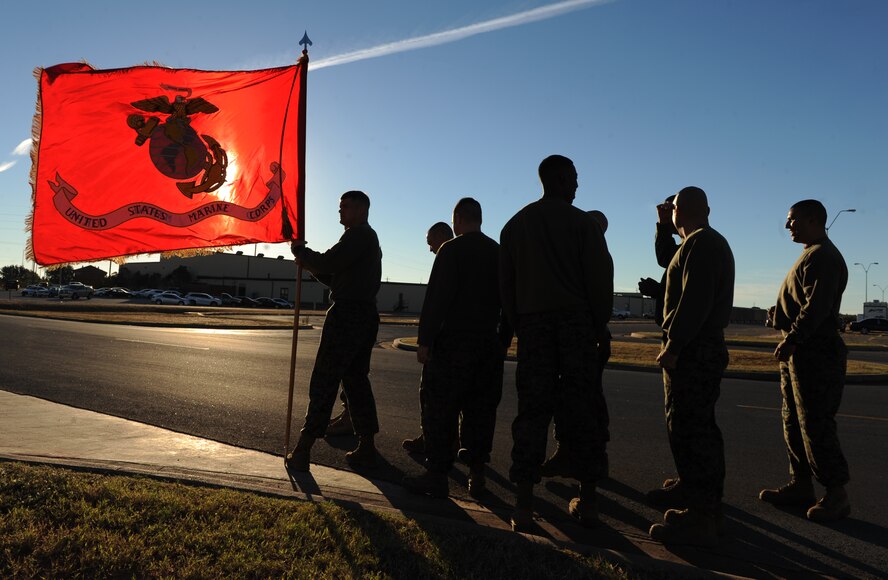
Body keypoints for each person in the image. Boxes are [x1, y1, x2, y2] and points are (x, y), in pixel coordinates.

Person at [499, 155, 613, 530]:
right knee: (583, 408)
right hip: (577, 327)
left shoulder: (515, 226)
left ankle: (524, 503)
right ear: (561, 180)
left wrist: (522, 325)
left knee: (532, 411)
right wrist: (599, 328)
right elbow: (599, 283)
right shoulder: (583, 224)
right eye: (575, 179)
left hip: (533, 329)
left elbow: (507, 287)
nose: (578, 186)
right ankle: (590, 497)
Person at [403, 199, 511, 499]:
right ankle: (477, 475)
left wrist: (425, 341)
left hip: (452, 345)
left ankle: (437, 475)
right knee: (480, 412)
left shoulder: (451, 250)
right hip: (488, 346)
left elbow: (437, 299)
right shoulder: (499, 252)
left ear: (458, 219)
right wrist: (503, 340)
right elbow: (509, 303)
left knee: (442, 410)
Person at [647, 186, 734, 548]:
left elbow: (695, 301)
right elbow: (668, 260)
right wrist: (662, 227)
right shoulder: (694, 243)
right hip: (694, 348)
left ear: (685, 209)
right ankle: (695, 493)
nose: (670, 210)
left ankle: (702, 517)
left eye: (675, 207)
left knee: (692, 428)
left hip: (694, 349)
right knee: (688, 426)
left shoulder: (703, 243)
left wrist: (675, 345)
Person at [758, 200, 851, 522]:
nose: (788, 227)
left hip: (815, 352)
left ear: (813, 220)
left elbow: (818, 305)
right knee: (793, 421)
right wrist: (779, 314)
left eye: (792, 220)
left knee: (815, 424)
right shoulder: (811, 254)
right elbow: (803, 301)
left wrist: (793, 338)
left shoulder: (823, 256)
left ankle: (836, 493)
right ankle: (800, 485)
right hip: (802, 352)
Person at [285, 190, 383, 471]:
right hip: (362, 314)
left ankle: (304, 447)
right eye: (339, 207)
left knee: (326, 379)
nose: (340, 212)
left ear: (362, 209)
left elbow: (329, 262)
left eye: (346, 207)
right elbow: (332, 275)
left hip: (348, 315)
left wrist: (301, 251)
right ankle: (366, 446)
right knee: (355, 381)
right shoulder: (361, 238)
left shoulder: (359, 235)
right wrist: (308, 263)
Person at [540, 209, 611, 478]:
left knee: (586, 399)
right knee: (569, 397)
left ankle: (591, 461)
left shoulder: (592, 257)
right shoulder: (584, 255)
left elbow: (600, 302)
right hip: (579, 337)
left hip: (585, 337)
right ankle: (568, 453)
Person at [402, 221, 455, 453]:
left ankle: (432, 443)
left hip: (445, 343)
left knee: (432, 396)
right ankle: (457, 443)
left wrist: (425, 341)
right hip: (471, 342)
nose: (430, 249)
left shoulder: (447, 256)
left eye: (431, 242)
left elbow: (434, 303)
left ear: (442, 236)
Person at [638, 195, 679, 327]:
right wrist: (664, 223)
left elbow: (693, 295)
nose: (667, 214)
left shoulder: (698, 244)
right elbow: (666, 257)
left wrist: (659, 291)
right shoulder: (690, 244)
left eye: (671, 210)